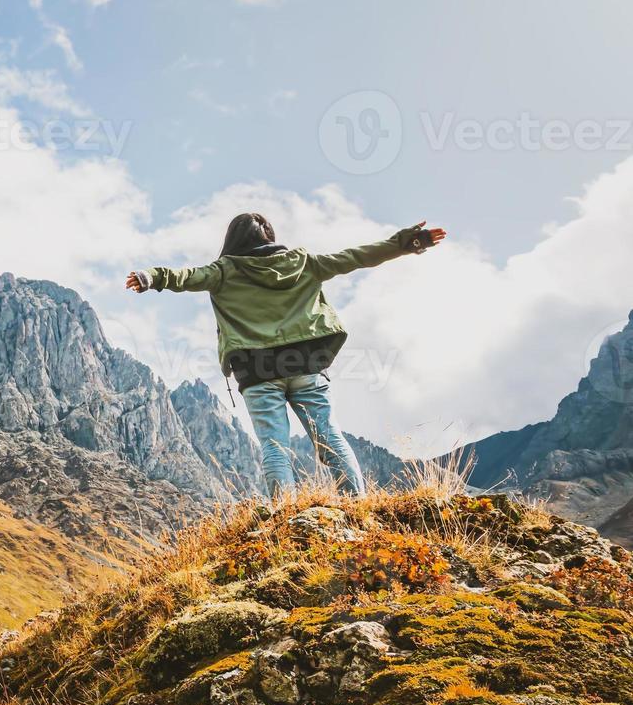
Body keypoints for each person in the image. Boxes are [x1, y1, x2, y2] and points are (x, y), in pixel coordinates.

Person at [127, 213, 446, 497]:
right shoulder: (304, 262)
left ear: (233, 240)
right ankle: (355, 506)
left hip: (257, 370)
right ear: (270, 237)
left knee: (274, 444)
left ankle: (286, 513)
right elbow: (357, 257)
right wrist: (408, 242)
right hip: (305, 363)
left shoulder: (224, 270)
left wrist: (151, 277)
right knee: (329, 437)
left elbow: (186, 277)